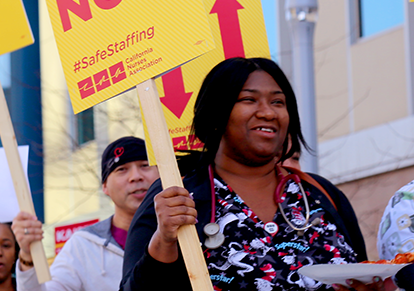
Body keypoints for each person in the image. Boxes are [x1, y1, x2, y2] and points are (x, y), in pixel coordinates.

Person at [120, 57, 393, 291]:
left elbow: (361, 274)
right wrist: (164, 239)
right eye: (249, 99)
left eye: (278, 102)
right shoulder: (177, 193)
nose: (268, 112)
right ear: (217, 116)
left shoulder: (321, 194)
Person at [12, 136, 159, 291]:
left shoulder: (181, 232)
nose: (136, 176)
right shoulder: (83, 246)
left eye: (145, 165)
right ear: (105, 186)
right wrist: (28, 256)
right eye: (121, 169)